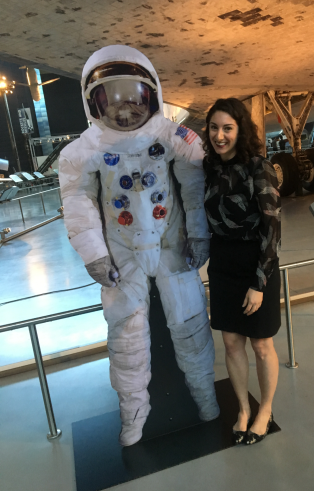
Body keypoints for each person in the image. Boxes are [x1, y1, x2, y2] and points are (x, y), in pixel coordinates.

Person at [59, 45, 219, 446]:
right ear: (92, 101)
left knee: (190, 325)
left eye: (133, 95)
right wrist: (94, 254)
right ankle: (133, 416)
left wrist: (198, 234)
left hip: (171, 242)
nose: (124, 107)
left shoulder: (170, 136)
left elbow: (196, 186)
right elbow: (78, 202)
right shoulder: (86, 149)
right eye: (111, 97)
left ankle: (206, 398)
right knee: (126, 338)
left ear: (152, 94)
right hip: (122, 251)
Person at [203, 98, 281, 446]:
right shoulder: (208, 167)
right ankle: (243, 409)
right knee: (232, 343)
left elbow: (272, 227)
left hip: (256, 264)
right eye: (214, 128)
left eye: (227, 128)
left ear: (240, 130)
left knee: (261, 344)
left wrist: (259, 283)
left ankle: (264, 409)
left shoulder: (257, 167)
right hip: (222, 263)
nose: (220, 135)